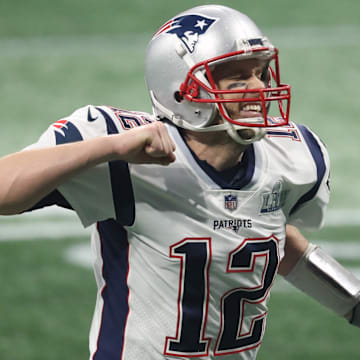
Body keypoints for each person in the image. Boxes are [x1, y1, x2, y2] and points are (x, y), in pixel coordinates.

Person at [0, 4, 359, 360]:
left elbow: (269, 234)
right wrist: (108, 148)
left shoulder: (292, 157)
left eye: (261, 73)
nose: (258, 88)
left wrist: (353, 301)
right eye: (237, 76)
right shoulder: (125, 154)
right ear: (183, 90)